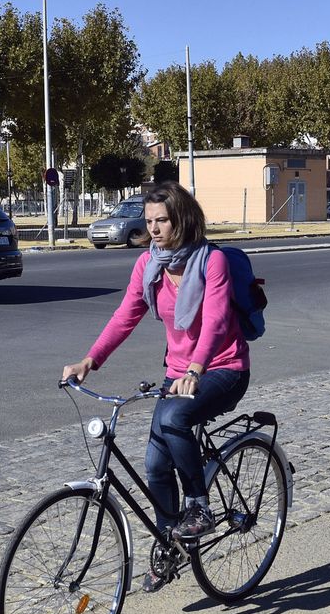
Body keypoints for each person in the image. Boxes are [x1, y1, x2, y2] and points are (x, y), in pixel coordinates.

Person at [62, 182, 249, 591]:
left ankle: (199, 506)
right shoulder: (150, 264)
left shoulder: (210, 261)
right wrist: (89, 360)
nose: (155, 229)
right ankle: (170, 544)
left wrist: (196, 369)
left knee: (175, 418)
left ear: (182, 218)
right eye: (149, 222)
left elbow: (216, 321)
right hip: (179, 373)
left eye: (162, 219)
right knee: (154, 465)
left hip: (222, 366)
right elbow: (125, 315)